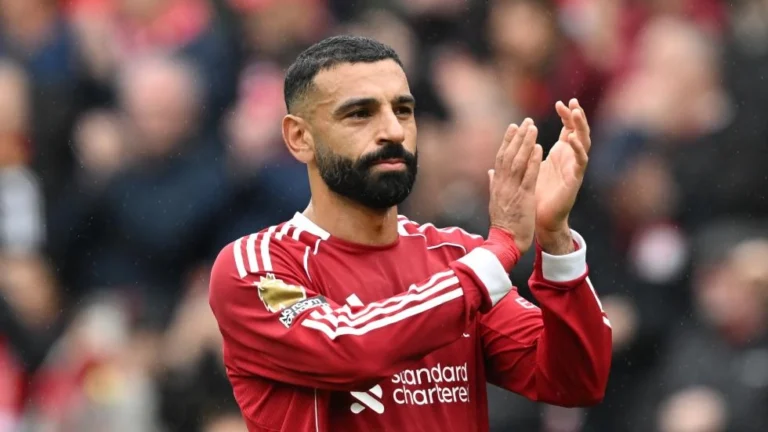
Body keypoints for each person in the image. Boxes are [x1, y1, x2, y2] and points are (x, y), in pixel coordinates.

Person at [208, 35, 612, 432]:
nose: (393, 131)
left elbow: (574, 380)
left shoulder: (456, 257)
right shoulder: (257, 267)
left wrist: (555, 238)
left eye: (403, 110)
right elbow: (347, 349)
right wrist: (499, 250)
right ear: (300, 138)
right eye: (360, 114)